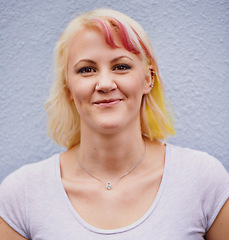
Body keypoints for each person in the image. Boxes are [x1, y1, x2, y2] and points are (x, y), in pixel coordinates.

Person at [0, 8, 229, 240]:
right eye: (87, 69)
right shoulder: (22, 194)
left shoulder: (202, 179)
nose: (105, 83)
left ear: (148, 79)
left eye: (121, 66)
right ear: (68, 88)